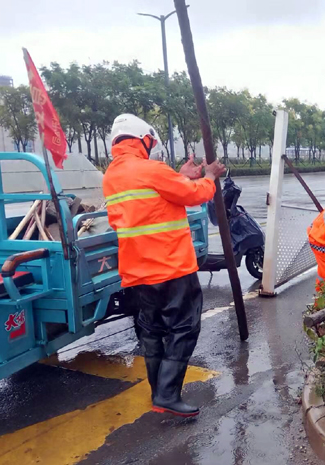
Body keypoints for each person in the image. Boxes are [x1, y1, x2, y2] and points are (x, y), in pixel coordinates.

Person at [103, 114, 225, 417]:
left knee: (152, 330)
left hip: (137, 270)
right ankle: (168, 395)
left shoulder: (112, 176)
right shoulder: (151, 169)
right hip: (171, 266)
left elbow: (156, 198)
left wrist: (180, 175)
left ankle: (159, 392)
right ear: (143, 140)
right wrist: (209, 176)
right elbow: (194, 194)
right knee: (184, 327)